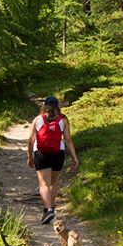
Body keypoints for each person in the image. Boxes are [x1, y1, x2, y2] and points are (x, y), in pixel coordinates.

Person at [27, 94, 78, 225]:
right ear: (58, 106)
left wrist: (30, 157)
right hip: (58, 153)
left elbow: (30, 140)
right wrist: (74, 158)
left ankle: (47, 209)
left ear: (44, 106)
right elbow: (68, 140)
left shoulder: (38, 119)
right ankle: (51, 209)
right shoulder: (63, 120)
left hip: (41, 153)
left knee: (44, 184)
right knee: (53, 183)